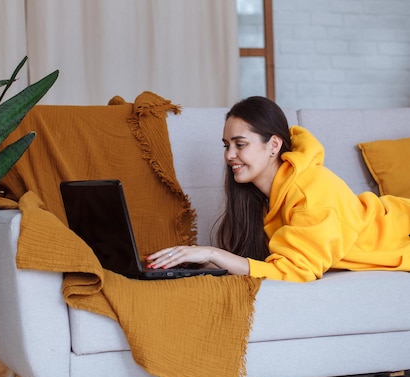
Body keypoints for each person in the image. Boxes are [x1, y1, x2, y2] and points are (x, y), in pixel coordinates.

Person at [146, 96, 410, 282]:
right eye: (226, 145)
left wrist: (214, 252)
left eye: (240, 144)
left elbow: (294, 271)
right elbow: (262, 264)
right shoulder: (262, 196)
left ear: (274, 145)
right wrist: (196, 263)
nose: (229, 156)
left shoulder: (312, 191)